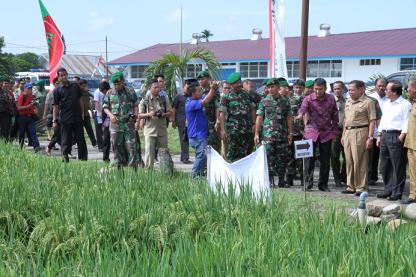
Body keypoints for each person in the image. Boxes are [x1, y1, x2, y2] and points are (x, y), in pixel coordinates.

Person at [297, 78, 338, 192]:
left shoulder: (331, 99)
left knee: (325, 160)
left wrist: (334, 131)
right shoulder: (308, 98)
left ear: (325, 88)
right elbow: (302, 109)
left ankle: (323, 185)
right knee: (308, 160)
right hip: (311, 132)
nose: (318, 91)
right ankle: (307, 184)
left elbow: (335, 116)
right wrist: (300, 115)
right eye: (316, 89)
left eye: (320, 89)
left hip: (326, 133)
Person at [376, 80, 412, 201]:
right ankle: (388, 189)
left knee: (398, 165)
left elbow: (407, 120)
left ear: (395, 92)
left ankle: (397, 192)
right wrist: (379, 134)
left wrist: (402, 135)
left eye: (387, 89)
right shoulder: (387, 103)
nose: (384, 91)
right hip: (385, 134)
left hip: (396, 135)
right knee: (385, 164)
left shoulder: (405, 104)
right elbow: (383, 119)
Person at [254, 79, 293, 187]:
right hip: (268, 135)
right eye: (268, 87)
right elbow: (259, 117)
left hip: (282, 134)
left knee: (282, 158)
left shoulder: (285, 101)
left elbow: (289, 117)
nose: (270, 89)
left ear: (278, 87)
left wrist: (290, 133)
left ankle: (281, 180)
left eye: (272, 87)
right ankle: (270, 181)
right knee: (268, 158)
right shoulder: (264, 101)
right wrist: (256, 133)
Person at [341, 80, 376, 195]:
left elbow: (372, 121)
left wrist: (370, 137)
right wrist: (343, 135)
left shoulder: (368, 102)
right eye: (349, 90)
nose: (349, 92)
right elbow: (346, 119)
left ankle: (361, 187)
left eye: (352, 90)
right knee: (349, 160)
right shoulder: (348, 102)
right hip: (348, 133)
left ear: (361, 89)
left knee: (360, 160)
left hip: (361, 132)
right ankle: (350, 186)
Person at [103, 72, 140, 168]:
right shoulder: (110, 93)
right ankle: (118, 169)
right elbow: (105, 107)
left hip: (129, 124)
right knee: (116, 147)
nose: (116, 86)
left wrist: (136, 114)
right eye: (114, 84)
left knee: (131, 148)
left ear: (123, 81)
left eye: (118, 84)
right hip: (116, 125)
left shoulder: (130, 91)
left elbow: (136, 104)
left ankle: (133, 171)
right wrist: (111, 116)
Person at [219, 72, 256, 162]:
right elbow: (222, 114)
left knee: (246, 153)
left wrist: (254, 123)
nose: (239, 84)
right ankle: (232, 174)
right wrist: (222, 129)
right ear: (231, 85)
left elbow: (253, 109)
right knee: (232, 153)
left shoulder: (247, 94)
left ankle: (244, 174)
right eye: (236, 83)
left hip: (247, 130)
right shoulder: (226, 97)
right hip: (233, 131)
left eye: (240, 81)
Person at [52, 68, 88, 162]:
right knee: (65, 139)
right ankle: (65, 158)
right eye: (62, 75)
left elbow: (80, 99)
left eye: (65, 75)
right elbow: (55, 106)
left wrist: (83, 113)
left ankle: (83, 158)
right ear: (58, 77)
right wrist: (54, 120)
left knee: (80, 138)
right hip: (65, 118)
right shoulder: (57, 90)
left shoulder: (75, 86)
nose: (64, 77)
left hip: (77, 116)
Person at [185, 81, 219, 177]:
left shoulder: (195, 100)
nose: (201, 93)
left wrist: (214, 89)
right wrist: (212, 88)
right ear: (193, 94)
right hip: (197, 135)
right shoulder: (190, 103)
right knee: (201, 156)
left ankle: (199, 174)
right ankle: (194, 175)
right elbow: (205, 101)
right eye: (199, 91)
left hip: (200, 135)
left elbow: (207, 97)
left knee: (202, 156)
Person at [138, 79, 172, 168]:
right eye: (155, 87)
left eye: (159, 87)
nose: (157, 89)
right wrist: (148, 114)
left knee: (164, 152)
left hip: (162, 130)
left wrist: (163, 114)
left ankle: (165, 171)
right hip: (150, 131)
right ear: (150, 88)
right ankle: (149, 172)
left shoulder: (164, 99)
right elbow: (139, 115)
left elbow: (170, 112)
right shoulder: (145, 100)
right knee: (149, 152)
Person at [368, 78, 388, 185]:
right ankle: (372, 178)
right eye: (379, 85)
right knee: (373, 156)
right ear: (375, 86)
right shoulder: (370, 98)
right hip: (374, 132)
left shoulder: (390, 98)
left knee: (385, 157)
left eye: (383, 86)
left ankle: (387, 179)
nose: (381, 88)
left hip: (386, 132)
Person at [286, 79, 305, 186]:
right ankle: (289, 180)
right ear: (293, 88)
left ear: (303, 88)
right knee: (290, 157)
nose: (298, 89)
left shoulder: (306, 99)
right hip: (291, 132)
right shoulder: (288, 99)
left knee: (301, 157)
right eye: (296, 87)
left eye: (300, 88)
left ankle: (304, 180)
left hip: (302, 133)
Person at [197, 70, 221, 152]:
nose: (200, 81)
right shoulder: (198, 91)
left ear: (208, 79)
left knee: (213, 143)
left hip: (211, 121)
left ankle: (213, 163)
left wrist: (218, 119)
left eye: (203, 79)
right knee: (201, 144)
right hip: (201, 121)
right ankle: (204, 163)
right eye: (199, 79)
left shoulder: (214, 91)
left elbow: (217, 106)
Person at [401, 79, 416, 204]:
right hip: (411, 143)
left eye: (409, 89)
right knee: (412, 171)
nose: (407, 91)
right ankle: (413, 195)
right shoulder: (413, 103)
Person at [172, 79, 193, 164]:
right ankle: (185, 158)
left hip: (191, 121)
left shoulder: (192, 96)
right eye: (187, 88)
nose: (188, 90)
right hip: (181, 121)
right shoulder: (178, 97)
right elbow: (173, 109)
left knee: (189, 139)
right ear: (183, 87)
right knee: (183, 139)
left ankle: (184, 157)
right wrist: (173, 120)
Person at [331, 81, 347, 187]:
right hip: (333, 131)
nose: (337, 90)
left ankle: (343, 176)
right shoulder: (330, 101)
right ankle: (336, 179)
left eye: (339, 88)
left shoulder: (347, 101)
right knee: (334, 156)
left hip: (345, 131)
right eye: (335, 88)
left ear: (343, 89)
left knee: (347, 156)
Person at [16, 83, 41, 151]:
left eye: (31, 88)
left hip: (30, 117)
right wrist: (28, 106)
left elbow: (33, 106)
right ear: (25, 89)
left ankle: (36, 146)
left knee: (33, 132)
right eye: (29, 88)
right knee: (22, 133)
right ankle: (20, 147)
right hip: (22, 117)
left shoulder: (31, 96)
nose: (30, 90)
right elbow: (18, 108)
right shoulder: (22, 96)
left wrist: (35, 109)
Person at [79, 79, 97, 147]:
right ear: (80, 86)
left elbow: (89, 103)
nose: (85, 87)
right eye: (83, 86)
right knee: (79, 131)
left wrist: (92, 111)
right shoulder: (77, 93)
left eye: (85, 86)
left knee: (90, 129)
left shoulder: (86, 93)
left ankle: (94, 143)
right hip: (79, 115)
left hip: (86, 114)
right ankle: (78, 143)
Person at [97, 81, 111, 162]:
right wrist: (103, 124)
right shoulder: (104, 97)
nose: (103, 93)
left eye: (103, 91)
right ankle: (105, 158)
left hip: (115, 121)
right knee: (106, 140)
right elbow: (103, 112)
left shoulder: (113, 95)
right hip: (107, 121)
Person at [0, 77, 14, 141]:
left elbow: (12, 102)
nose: (6, 85)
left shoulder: (9, 92)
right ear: (2, 84)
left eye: (7, 83)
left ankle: (4, 143)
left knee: (6, 129)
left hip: (6, 113)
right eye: (5, 83)